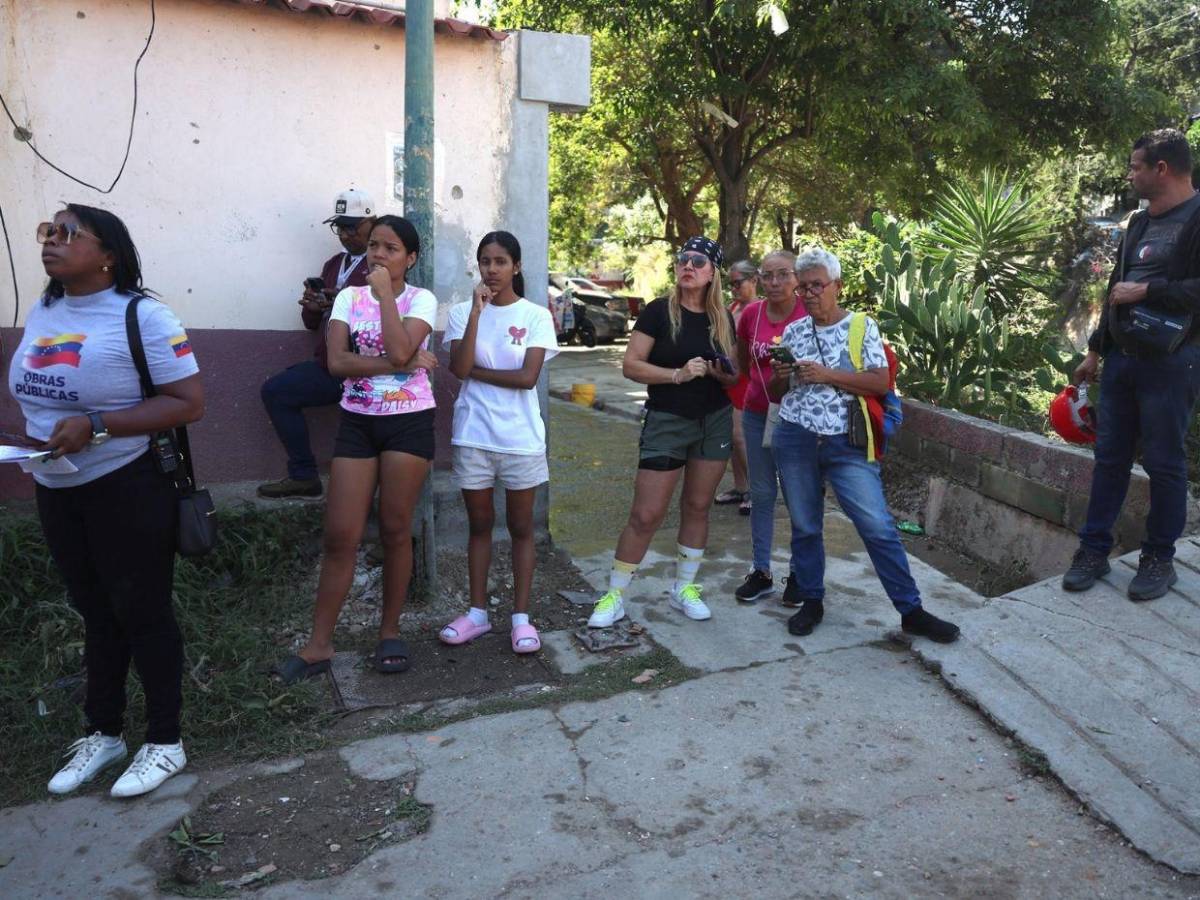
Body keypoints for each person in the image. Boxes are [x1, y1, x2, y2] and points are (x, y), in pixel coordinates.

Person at [7, 205, 205, 797]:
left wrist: (96, 424)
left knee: (142, 610)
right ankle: (105, 732)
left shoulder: (143, 315)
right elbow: (40, 389)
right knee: (95, 610)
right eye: (49, 232)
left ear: (108, 254)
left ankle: (165, 740)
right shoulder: (45, 309)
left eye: (69, 234)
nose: (52, 242)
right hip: (57, 485)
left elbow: (188, 402)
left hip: (127, 483)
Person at [275, 215, 438, 683]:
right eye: (374, 246)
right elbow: (336, 362)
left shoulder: (420, 299)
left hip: (408, 424)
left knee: (393, 528)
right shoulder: (347, 297)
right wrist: (398, 362)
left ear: (410, 258)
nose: (378, 255)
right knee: (341, 535)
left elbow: (405, 348)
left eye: (390, 248)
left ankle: (390, 630)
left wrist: (387, 298)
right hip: (358, 424)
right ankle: (318, 646)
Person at [768, 247, 959, 643]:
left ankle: (911, 610)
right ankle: (812, 600)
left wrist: (826, 375)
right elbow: (775, 394)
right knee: (805, 527)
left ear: (837, 285)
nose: (808, 294)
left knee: (877, 526)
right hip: (796, 437)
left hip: (846, 443)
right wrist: (783, 374)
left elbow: (879, 382)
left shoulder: (861, 327)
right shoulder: (793, 332)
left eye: (816, 285)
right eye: (802, 287)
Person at [1063, 129, 1200, 601]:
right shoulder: (1138, 223)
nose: (1130, 173)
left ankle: (1159, 559)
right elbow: (1114, 288)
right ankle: (1093, 551)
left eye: (1136, 165)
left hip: (1172, 360)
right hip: (1122, 358)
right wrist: (1095, 350)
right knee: (1109, 459)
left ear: (1162, 169)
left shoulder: (1198, 217)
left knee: (1164, 463)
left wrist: (1149, 291)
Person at [587, 236, 740, 628]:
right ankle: (615, 595)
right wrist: (677, 374)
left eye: (698, 262)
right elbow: (632, 365)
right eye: (683, 259)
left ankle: (684, 588)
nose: (688, 265)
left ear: (712, 274)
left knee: (698, 507)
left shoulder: (723, 317)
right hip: (667, 420)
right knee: (646, 513)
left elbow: (733, 373)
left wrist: (724, 374)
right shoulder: (658, 312)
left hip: (714, 420)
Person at [438, 232, 558, 654]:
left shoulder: (536, 316)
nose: (491, 269)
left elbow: (527, 378)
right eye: (485, 261)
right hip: (473, 435)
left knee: (523, 528)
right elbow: (457, 367)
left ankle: (521, 618)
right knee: (480, 525)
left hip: (521, 439)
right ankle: (477, 613)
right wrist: (475, 314)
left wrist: (475, 372)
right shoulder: (459, 313)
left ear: (516, 267)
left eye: (501, 261)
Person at [257, 189, 376, 499]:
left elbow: (384, 315)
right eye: (341, 227)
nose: (346, 234)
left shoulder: (381, 265)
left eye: (353, 227)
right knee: (277, 390)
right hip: (329, 364)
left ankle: (365, 488)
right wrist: (313, 307)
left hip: (363, 369)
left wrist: (344, 303)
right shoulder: (333, 264)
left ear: (371, 223)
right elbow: (312, 324)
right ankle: (304, 476)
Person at [733, 249, 809, 603]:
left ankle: (799, 573)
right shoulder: (751, 313)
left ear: (797, 277)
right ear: (759, 280)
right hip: (756, 413)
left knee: (797, 495)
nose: (775, 282)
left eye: (783, 274)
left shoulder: (809, 313)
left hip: (798, 419)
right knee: (762, 493)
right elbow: (745, 363)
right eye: (768, 275)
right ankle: (761, 570)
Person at [713, 259, 756, 514]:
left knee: (741, 437)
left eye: (739, 283)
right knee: (731, 436)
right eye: (731, 284)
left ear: (754, 281)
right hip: (729, 377)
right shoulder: (732, 308)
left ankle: (757, 489)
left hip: (747, 379)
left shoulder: (761, 309)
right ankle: (741, 487)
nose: (734, 289)